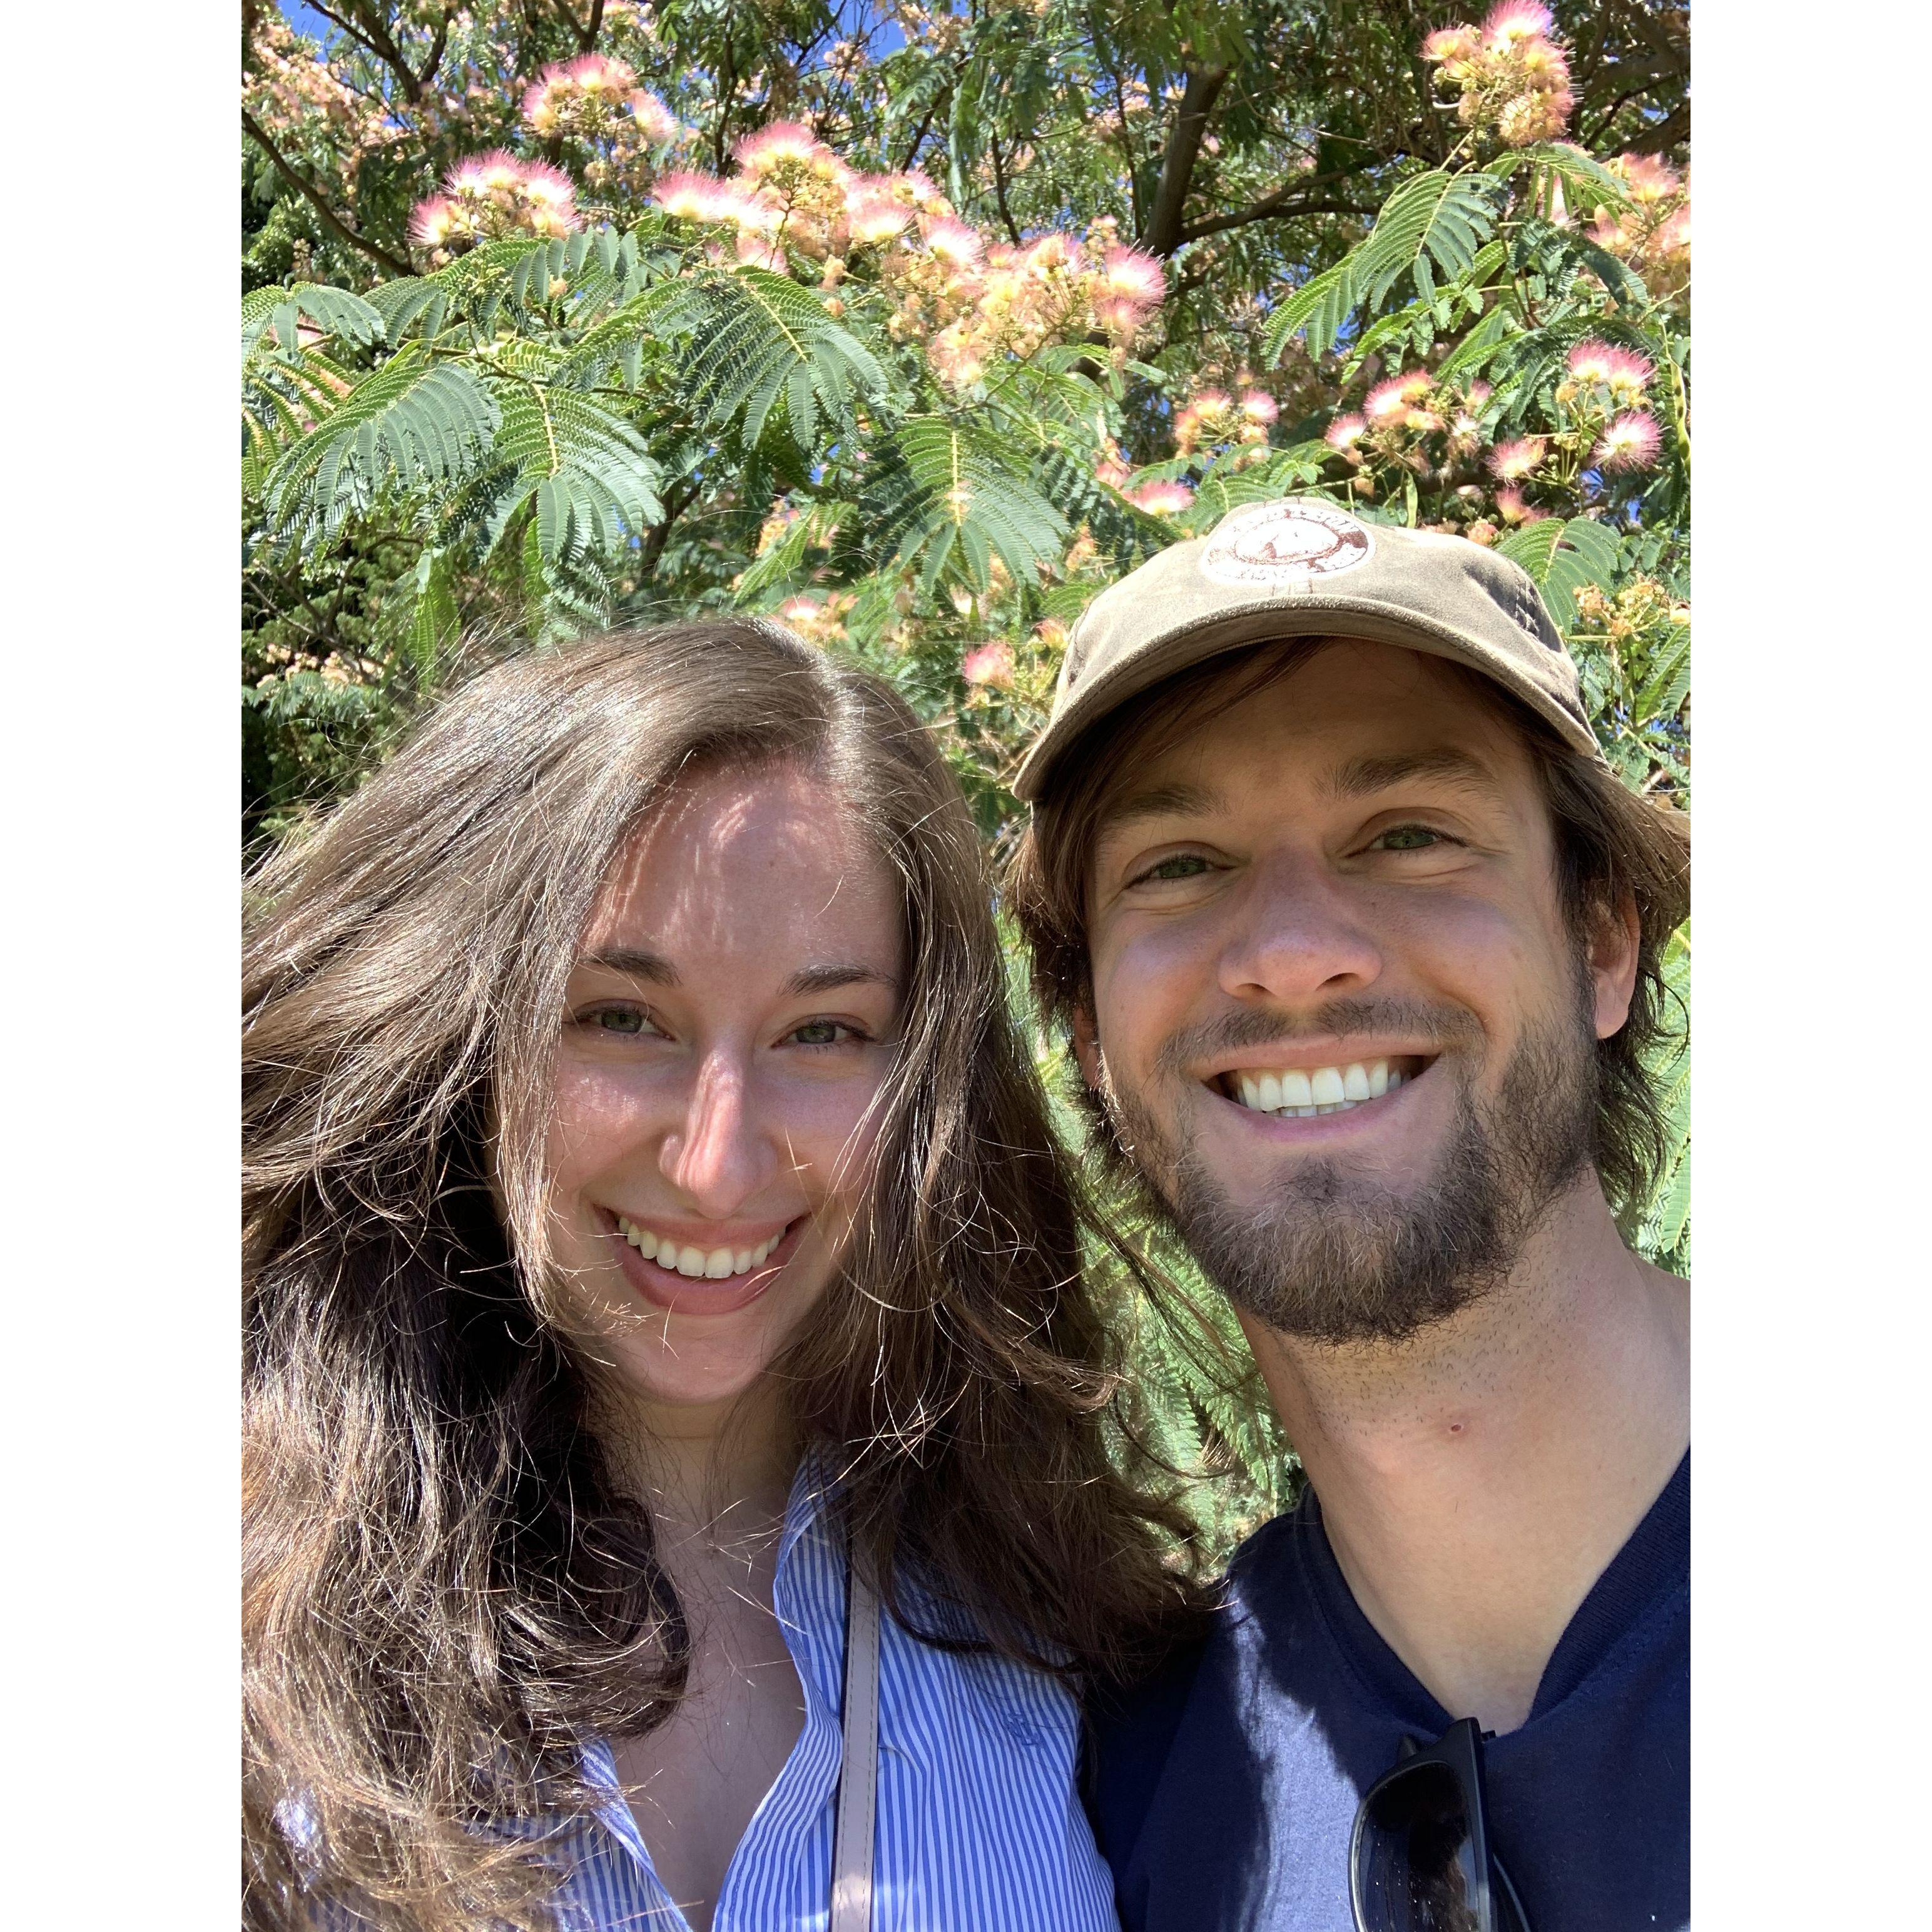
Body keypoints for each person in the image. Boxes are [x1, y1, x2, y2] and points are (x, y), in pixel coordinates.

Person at [242, 619, 1207, 1932]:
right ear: (464, 1029)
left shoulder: (1075, 1648)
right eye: (621, 1016)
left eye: (823, 1031)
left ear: (924, 1082)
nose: (713, 1162)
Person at [1007, 497, 1691, 1932]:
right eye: (1178, 864)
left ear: (1600, 938)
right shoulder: (1118, 1800)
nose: (1293, 954)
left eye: (1408, 832)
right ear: (1082, 1026)